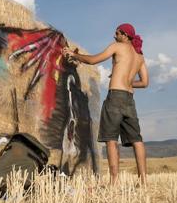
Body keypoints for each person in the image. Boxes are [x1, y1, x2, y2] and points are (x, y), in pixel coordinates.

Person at [62, 23, 149, 185]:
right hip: (129, 99)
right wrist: (129, 82)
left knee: (111, 139)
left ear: (124, 35)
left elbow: (94, 60)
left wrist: (75, 56)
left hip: (115, 97)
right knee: (137, 140)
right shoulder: (139, 56)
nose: (114, 36)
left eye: (117, 33)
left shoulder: (117, 46)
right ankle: (143, 180)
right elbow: (144, 82)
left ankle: (114, 182)